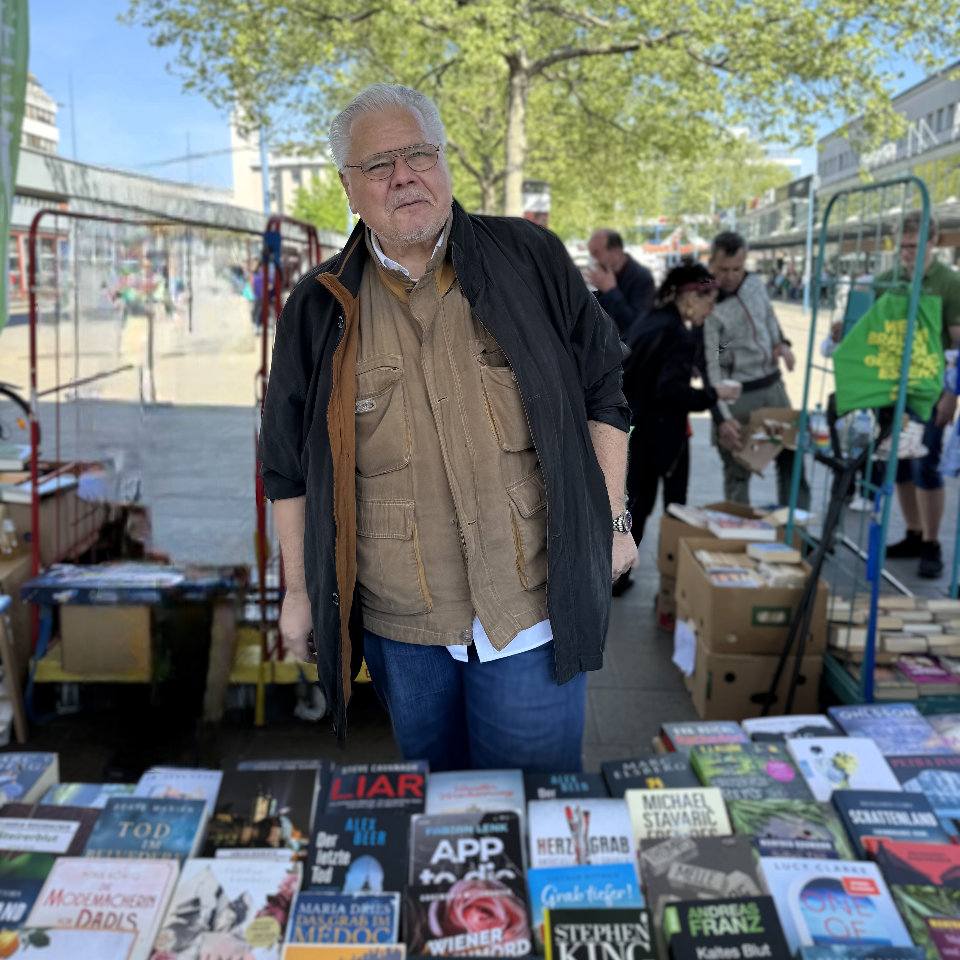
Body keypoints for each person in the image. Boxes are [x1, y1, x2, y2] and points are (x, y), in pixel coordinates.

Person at [258, 83, 636, 772]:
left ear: (443, 160)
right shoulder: (317, 307)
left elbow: (602, 388)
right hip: (404, 634)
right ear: (348, 187)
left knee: (533, 804)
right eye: (379, 164)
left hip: (532, 616)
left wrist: (613, 521)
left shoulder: (529, 257)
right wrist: (299, 593)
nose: (404, 176)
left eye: (419, 154)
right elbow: (286, 468)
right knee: (440, 806)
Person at [612, 263, 741, 595]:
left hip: (639, 429)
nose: (711, 311)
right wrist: (714, 394)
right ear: (692, 298)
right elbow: (671, 391)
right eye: (710, 302)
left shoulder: (651, 321)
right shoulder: (678, 334)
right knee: (675, 509)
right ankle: (672, 585)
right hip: (664, 435)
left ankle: (618, 577)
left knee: (637, 506)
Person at [877, 212, 960, 578]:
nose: (907, 252)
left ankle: (931, 542)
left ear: (933, 242)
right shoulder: (886, 280)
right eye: (902, 246)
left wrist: (951, 394)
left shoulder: (949, 283)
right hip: (890, 389)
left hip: (929, 393)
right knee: (899, 463)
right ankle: (912, 532)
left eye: (914, 245)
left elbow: (958, 345)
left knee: (926, 465)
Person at [704, 231, 811, 508]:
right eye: (723, 269)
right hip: (737, 396)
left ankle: (795, 529)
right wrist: (721, 416)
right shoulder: (705, 303)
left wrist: (781, 343)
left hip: (773, 387)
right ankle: (737, 530)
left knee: (793, 460)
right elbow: (709, 365)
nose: (731, 276)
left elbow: (768, 316)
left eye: (737, 268)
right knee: (738, 473)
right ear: (710, 263)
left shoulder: (754, 284)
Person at [584, 229, 655, 338]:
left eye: (596, 253)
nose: (593, 259)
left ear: (616, 253)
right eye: (591, 254)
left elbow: (636, 325)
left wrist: (610, 291)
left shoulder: (642, 278)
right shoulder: (606, 273)